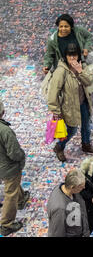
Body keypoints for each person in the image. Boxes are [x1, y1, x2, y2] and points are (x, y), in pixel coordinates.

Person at [48, 43, 93, 162]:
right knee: (71, 130)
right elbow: (53, 92)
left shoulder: (83, 66)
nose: (72, 59)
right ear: (65, 56)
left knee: (86, 125)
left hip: (83, 102)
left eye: (74, 55)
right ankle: (59, 147)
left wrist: (80, 71)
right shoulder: (61, 71)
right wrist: (55, 110)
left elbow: (89, 82)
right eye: (70, 56)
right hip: (68, 107)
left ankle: (86, 144)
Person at [0, 100, 30, 236]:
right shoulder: (5, 131)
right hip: (8, 167)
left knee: (13, 185)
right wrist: (22, 157)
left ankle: (21, 199)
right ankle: (6, 224)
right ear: (2, 112)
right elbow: (14, 153)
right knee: (10, 193)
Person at [47, 169, 90, 237]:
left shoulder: (66, 188)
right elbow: (57, 233)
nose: (84, 188)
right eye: (81, 187)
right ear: (72, 187)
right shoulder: (60, 208)